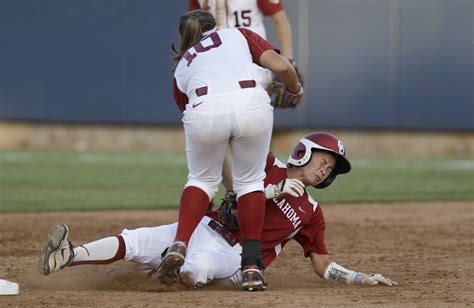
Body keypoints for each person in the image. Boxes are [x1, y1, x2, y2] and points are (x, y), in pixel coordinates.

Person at [38, 132, 398, 290]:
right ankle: (70, 255)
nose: (325, 170)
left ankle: (163, 273)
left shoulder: (312, 211)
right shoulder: (267, 164)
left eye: (331, 169)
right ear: (304, 153)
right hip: (204, 227)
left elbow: (321, 264)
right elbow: (231, 172)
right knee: (137, 238)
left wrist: (358, 278)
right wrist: (270, 189)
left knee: (196, 269)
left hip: (234, 256)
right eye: (324, 160)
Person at [164, 9, 303, 291]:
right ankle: (252, 267)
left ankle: (179, 243)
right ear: (215, 25)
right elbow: (284, 69)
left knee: (201, 180)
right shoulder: (237, 34)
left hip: (203, 110)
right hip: (250, 103)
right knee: (250, 183)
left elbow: (198, 120)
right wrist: (293, 88)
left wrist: (224, 186)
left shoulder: (183, 66)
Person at [188, 0, 298, 196]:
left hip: (252, 67)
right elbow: (193, 27)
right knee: (214, 138)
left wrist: (289, 61)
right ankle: (232, 194)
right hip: (215, 68)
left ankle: (262, 191)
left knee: (255, 138)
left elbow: (280, 19)